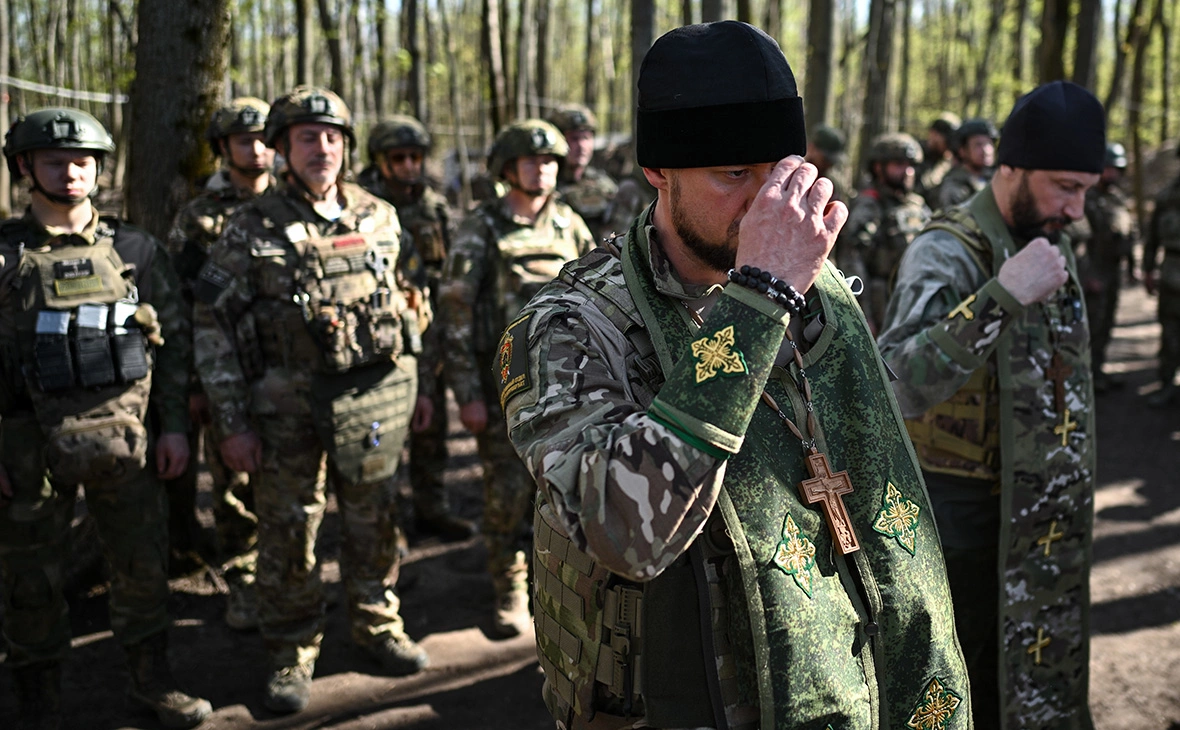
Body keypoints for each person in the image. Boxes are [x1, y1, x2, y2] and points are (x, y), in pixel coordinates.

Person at [503, 21, 971, 729]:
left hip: (843, 680)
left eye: (777, 173)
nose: (765, 205)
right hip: (682, 699)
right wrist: (759, 298)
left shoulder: (819, 288)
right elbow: (624, 533)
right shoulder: (568, 325)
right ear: (658, 171)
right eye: (732, 176)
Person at [192, 86, 430, 715]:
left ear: (346, 146)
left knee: (373, 516)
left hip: (370, 403)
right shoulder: (247, 226)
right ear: (281, 149)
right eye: (305, 137)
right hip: (284, 413)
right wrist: (231, 423)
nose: (321, 148)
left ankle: (378, 624)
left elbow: (403, 305)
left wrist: (415, 389)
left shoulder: (379, 215)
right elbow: (211, 327)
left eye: (331, 136)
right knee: (289, 528)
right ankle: (291, 649)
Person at [878, 80, 1104, 729]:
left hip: (1038, 519)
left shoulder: (1046, 238)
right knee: (964, 684)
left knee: (1039, 680)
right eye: (1066, 186)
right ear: (1011, 168)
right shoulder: (947, 250)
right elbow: (896, 379)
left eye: (1086, 189)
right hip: (966, 520)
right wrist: (999, 298)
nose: (1078, 208)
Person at [0, 108, 211, 728]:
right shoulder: (5, 257)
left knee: (143, 566)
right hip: (25, 444)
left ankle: (152, 683)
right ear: (24, 168)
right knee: (29, 580)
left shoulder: (136, 250)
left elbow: (171, 348)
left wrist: (173, 427)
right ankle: (38, 703)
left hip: (127, 438)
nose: (70, 173)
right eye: (53, 161)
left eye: (82, 161)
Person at [439, 118, 593, 638]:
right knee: (504, 493)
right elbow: (455, 312)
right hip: (502, 388)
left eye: (550, 160)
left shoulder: (570, 224)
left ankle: (549, 586)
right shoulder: (482, 226)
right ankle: (506, 586)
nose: (542, 169)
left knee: (557, 488)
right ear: (508, 169)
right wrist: (464, 392)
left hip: (567, 387)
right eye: (531, 160)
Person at [166, 97, 275, 630]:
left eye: (262, 139)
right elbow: (187, 305)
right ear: (222, 148)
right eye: (242, 141)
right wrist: (193, 383)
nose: (255, 150)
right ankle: (245, 582)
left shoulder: (290, 203)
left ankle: (287, 579)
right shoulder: (200, 218)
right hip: (225, 370)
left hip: (284, 370)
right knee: (233, 487)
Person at [359, 115, 475, 540]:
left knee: (432, 429)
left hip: (428, 328)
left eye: (415, 157)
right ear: (381, 161)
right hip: (380, 333)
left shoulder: (435, 205)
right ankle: (388, 525)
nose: (408, 165)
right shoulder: (364, 207)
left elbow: (452, 268)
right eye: (398, 158)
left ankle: (432, 507)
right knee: (384, 435)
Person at [836, 132, 931, 333]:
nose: (907, 171)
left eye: (911, 165)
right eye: (899, 164)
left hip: (917, 302)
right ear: (879, 167)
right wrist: (863, 315)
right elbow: (853, 262)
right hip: (884, 309)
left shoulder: (917, 205)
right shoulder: (869, 206)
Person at [1069, 142, 1136, 393]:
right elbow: (1081, 241)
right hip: (1094, 270)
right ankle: (1086, 376)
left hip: (1113, 269)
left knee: (1107, 322)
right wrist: (1088, 275)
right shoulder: (1086, 198)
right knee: (1091, 325)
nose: (1112, 174)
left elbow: (1129, 235)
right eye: (1107, 168)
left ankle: (1098, 370)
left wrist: (1132, 267)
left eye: (1116, 169)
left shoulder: (1118, 198)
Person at [546, 103, 620, 243]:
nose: (581, 146)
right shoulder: (544, 184)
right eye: (574, 138)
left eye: (586, 138)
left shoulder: (605, 186)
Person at [1144, 144, 1180, 407]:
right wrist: (1147, 268)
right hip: (1171, 274)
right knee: (1170, 333)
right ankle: (1167, 384)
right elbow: (1152, 237)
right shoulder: (1167, 195)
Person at [936, 117, 997, 211]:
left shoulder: (996, 178)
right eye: (978, 145)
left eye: (989, 144)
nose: (986, 150)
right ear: (962, 151)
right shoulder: (954, 186)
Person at [917, 112, 961, 209]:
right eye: (946, 140)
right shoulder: (916, 155)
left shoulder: (949, 162)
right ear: (933, 133)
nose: (948, 146)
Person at [805, 123, 849, 204]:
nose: (829, 164)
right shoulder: (796, 175)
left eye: (832, 161)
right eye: (825, 159)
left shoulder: (833, 184)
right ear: (811, 148)